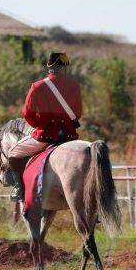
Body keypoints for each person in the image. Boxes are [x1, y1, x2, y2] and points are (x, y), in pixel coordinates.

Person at [5, 52, 83, 201]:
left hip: (46, 135)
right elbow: (78, 113)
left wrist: (39, 125)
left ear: (49, 67)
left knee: (13, 154)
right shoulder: (74, 85)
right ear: (65, 68)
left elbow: (27, 113)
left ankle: (19, 189)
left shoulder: (38, 86)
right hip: (69, 135)